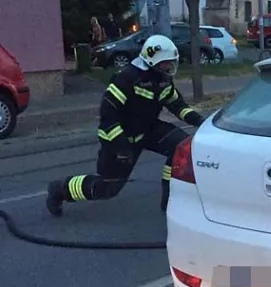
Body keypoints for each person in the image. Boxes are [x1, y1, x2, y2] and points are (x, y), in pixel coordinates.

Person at [45, 34, 206, 217]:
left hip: (147, 129)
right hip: (120, 136)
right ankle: (59, 189)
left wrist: (200, 121)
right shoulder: (127, 79)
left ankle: (169, 199)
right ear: (152, 61)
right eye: (166, 63)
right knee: (107, 188)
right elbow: (108, 114)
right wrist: (121, 146)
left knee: (181, 147)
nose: (169, 67)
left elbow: (177, 105)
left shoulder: (163, 79)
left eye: (171, 62)